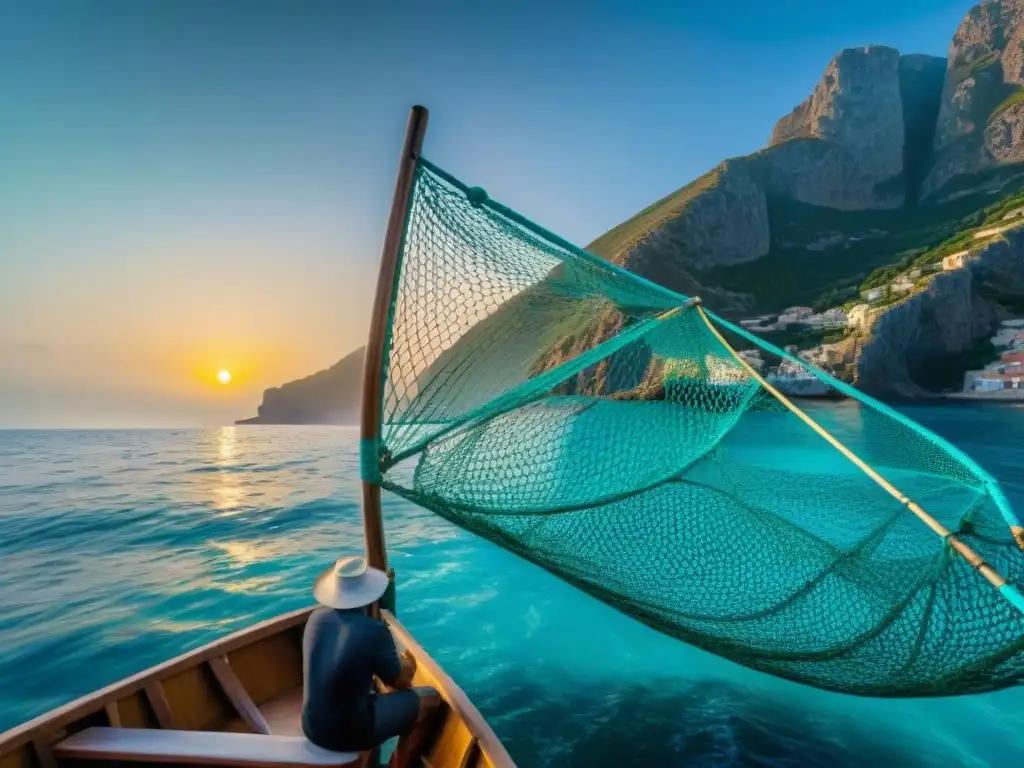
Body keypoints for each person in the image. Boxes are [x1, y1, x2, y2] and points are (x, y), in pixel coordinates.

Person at [301, 555, 440, 756]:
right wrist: (409, 662)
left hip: (312, 727)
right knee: (430, 699)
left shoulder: (316, 618)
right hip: (347, 734)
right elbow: (400, 682)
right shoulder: (373, 631)